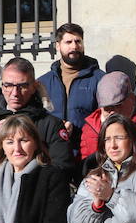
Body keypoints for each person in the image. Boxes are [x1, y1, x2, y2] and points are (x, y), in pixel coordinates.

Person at [0, 58, 73, 179]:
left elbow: (63, 167)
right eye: (9, 85)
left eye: (22, 86)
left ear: (34, 87)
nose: (15, 93)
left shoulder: (50, 124)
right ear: (2, 86)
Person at [36, 23, 102, 152]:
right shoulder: (42, 82)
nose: (74, 46)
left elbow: (105, 118)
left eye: (78, 41)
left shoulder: (99, 79)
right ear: (58, 45)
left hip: (87, 153)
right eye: (68, 42)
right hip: (52, 152)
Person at [78, 71, 136, 165]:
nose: (112, 112)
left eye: (117, 106)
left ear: (131, 99)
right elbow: (86, 165)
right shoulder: (90, 127)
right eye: (107, 108)